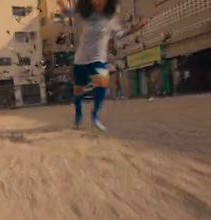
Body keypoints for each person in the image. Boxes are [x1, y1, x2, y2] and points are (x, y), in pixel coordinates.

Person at [57, 0, 147, 131]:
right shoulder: (84, 14)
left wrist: (137, 28)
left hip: (98, 57)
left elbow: (120, 34)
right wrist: (61, 5)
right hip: (81, 58)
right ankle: (78, 115)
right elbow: (68, 12)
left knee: (102, 84)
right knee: (78, 91)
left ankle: (95, 117)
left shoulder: (110, 19)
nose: (98, 2)